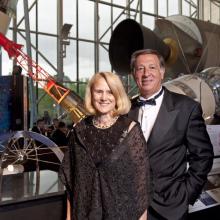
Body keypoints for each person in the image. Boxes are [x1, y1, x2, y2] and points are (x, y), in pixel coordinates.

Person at [128, 48, 214, 220]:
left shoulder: (186, 108)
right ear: (133, 75)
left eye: (152, 67)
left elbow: (203, 156)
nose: (146, 74)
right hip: (129, 207)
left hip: (170, 208)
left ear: (162, 72)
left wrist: (185, 195)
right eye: (140, 68)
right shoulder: (124, 110)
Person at [59, 71, 149, 220]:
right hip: (84, 214)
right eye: (99, 91)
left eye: (110, 92)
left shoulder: (131, 131)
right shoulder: (79, 131)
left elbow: (141, 188)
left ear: (117, 95)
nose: (104, 97)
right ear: (91, 95)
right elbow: (71, 183)